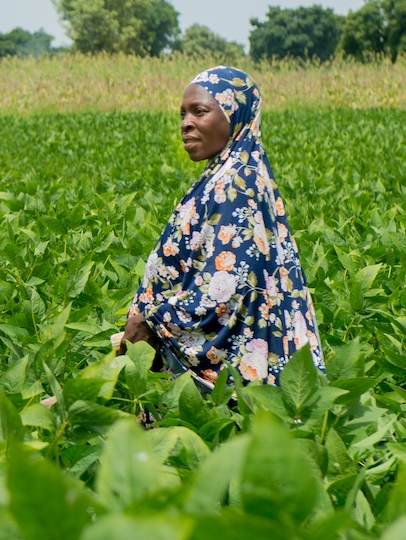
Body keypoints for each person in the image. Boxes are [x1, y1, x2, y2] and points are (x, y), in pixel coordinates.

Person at [119, 66, 325, 390]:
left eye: (199, 112)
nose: (186, 123)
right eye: (183, 114)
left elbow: (225, 287)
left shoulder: (238, 183)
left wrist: (152, 321)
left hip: (222, 377)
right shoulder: (225, 175)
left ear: (235, 114)